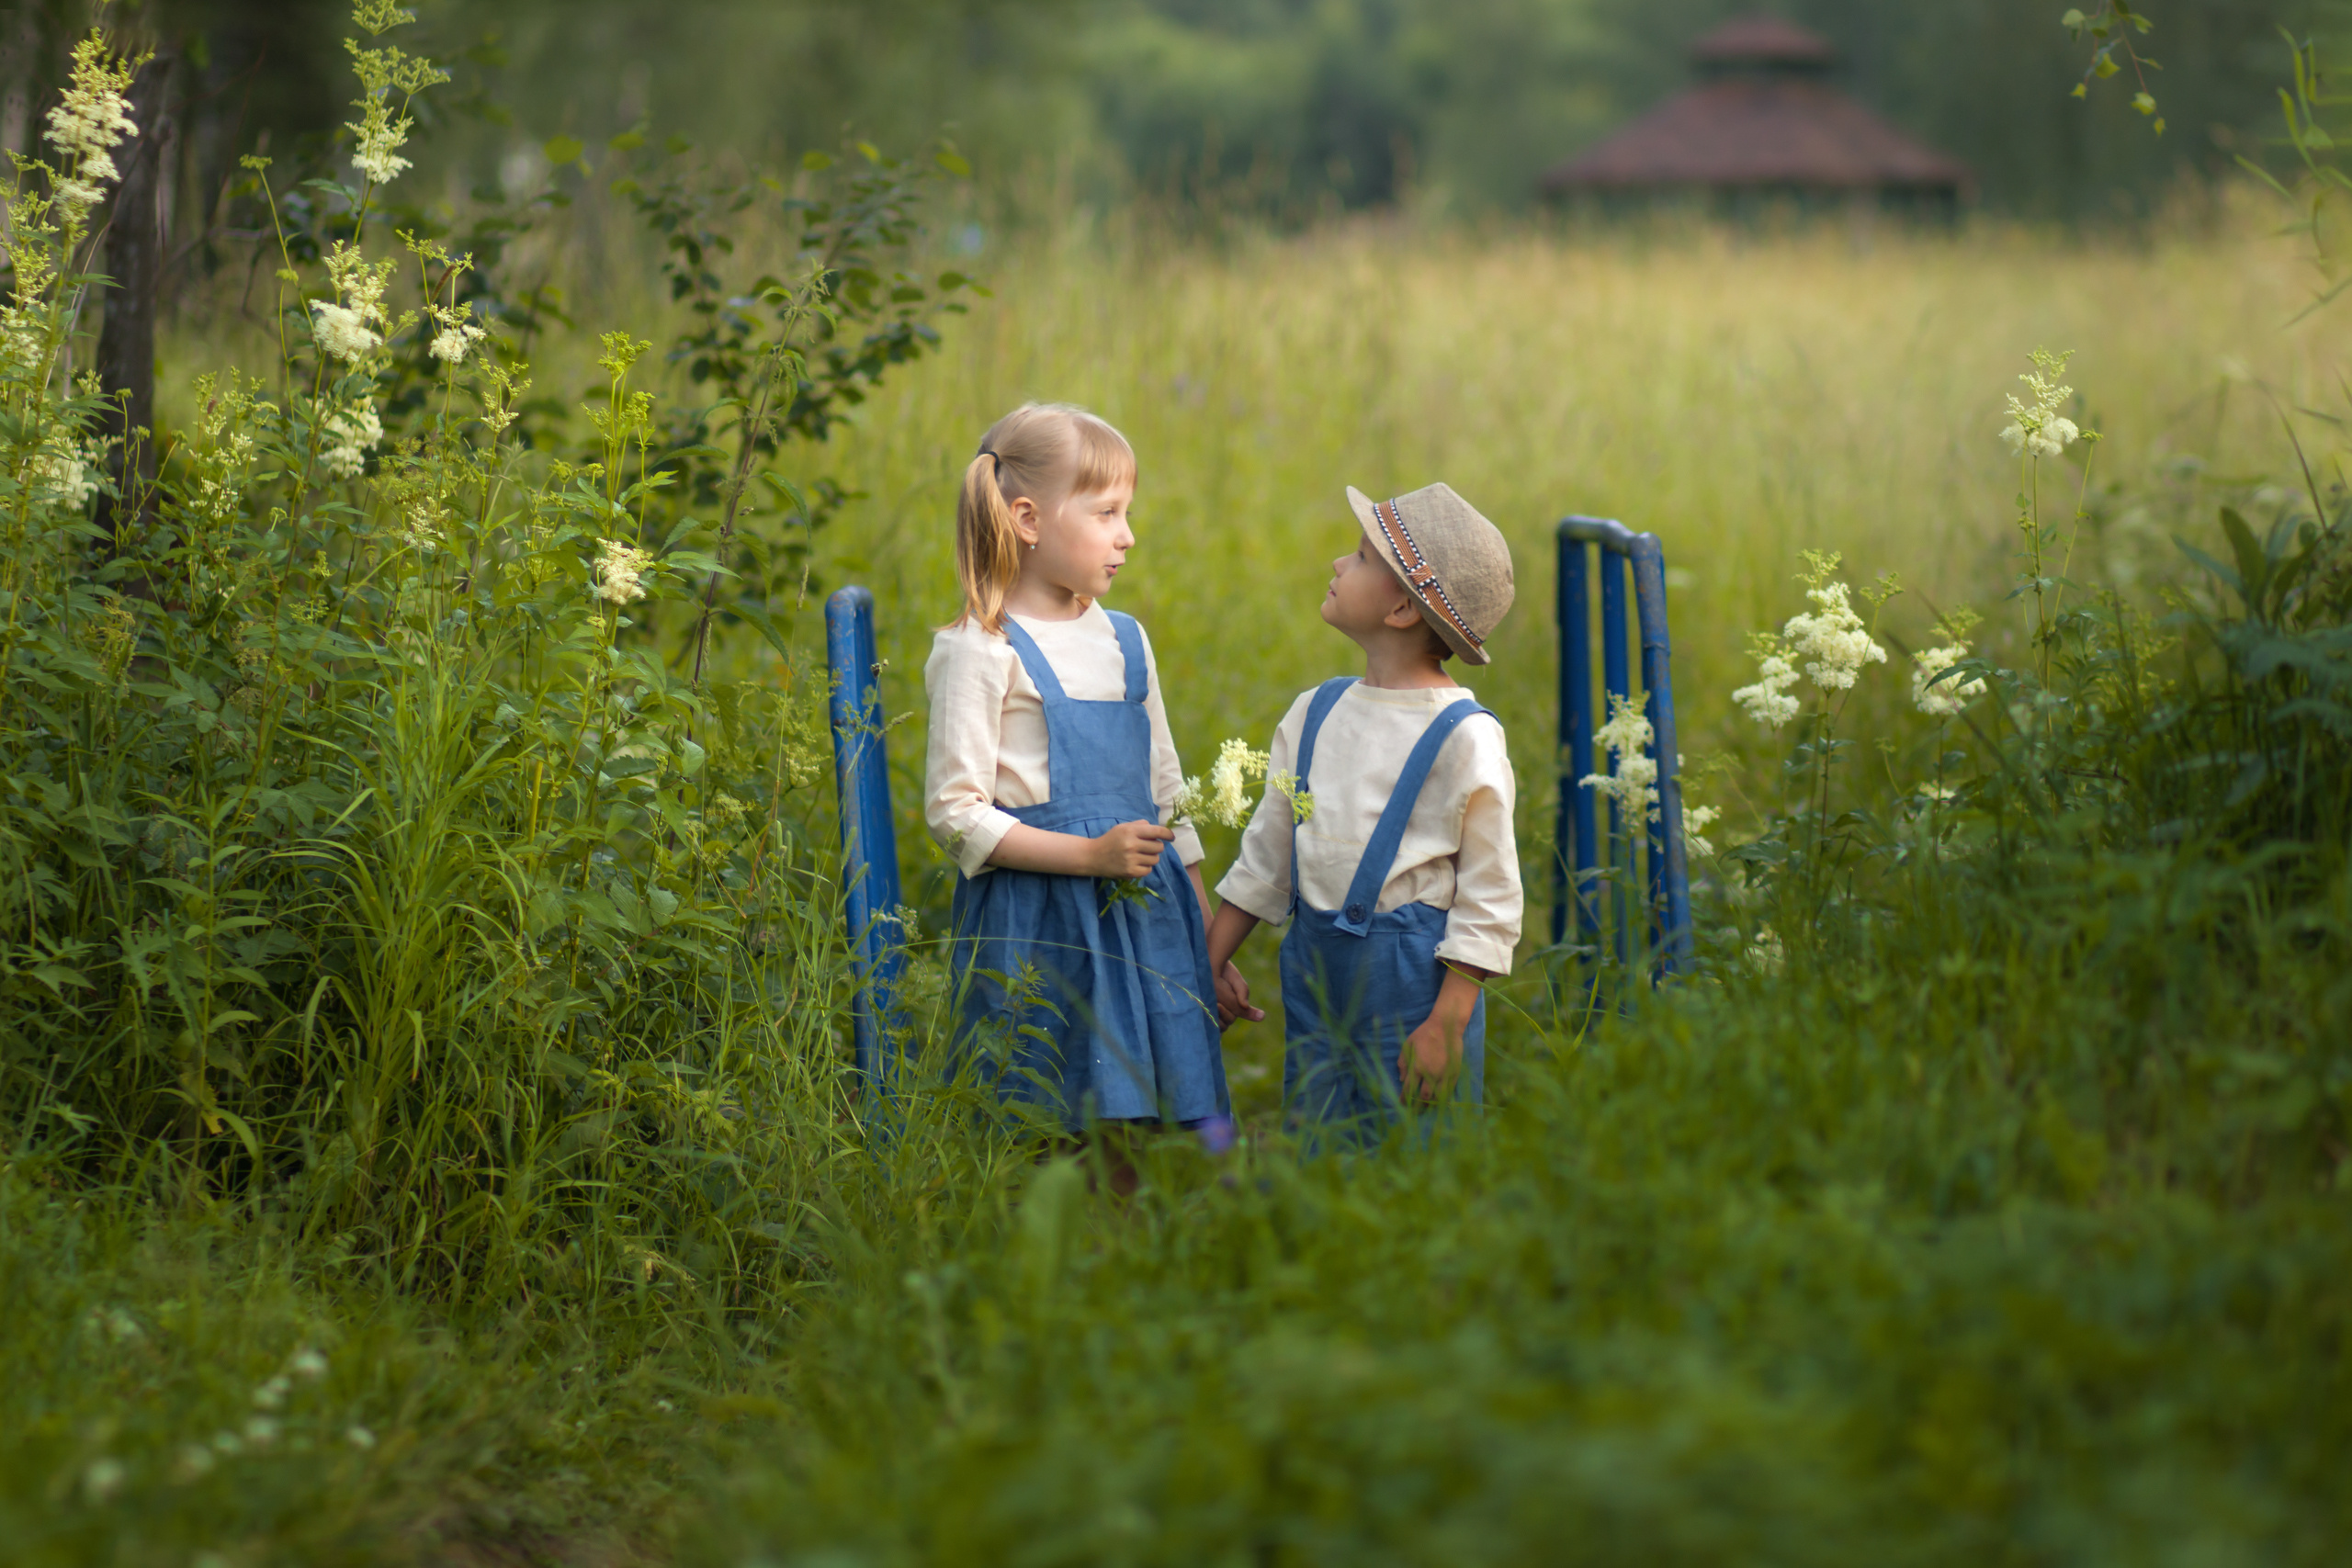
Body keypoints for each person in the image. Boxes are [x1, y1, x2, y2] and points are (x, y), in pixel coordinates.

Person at [924, 402, 1243, 1138]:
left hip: (1142, 922)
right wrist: (1089, 857)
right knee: (1047, 1124)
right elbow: (956, 811)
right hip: (1038, 921)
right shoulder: (982, 648)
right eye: (1106, 513)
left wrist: (1206, 945)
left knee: (1127, 1123)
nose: (1127, 536)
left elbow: (1168, 795)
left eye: (1127, 512)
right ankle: (1047, 1250)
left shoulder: (1125, 639)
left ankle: (1117, 1247)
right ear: (1029, 519)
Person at [1207, 482, 1521, 1138]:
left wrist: (1448, 1023)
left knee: (1411, 1166)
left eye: (1360, 557)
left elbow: (1490, 898)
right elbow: (1266, 861)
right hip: (1318, 980)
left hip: (1415, 993)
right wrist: (1205, 965)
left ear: (1403, 607)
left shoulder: (1463, 735)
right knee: (1320, 1150)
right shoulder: (1315, 713)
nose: (1337, 565)